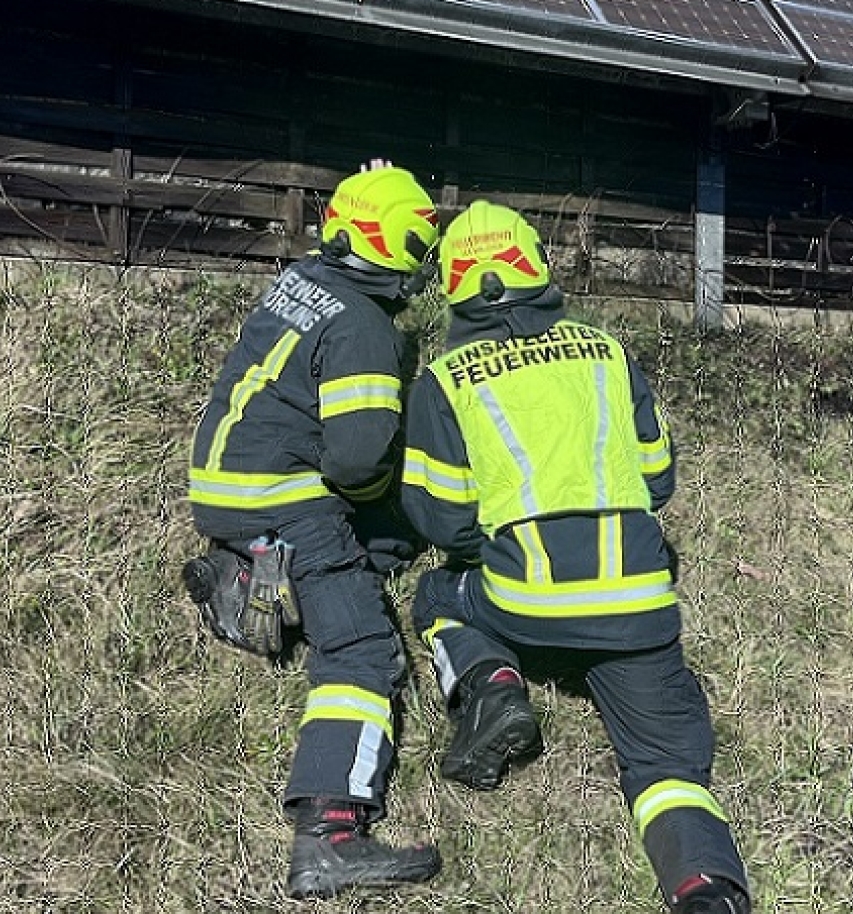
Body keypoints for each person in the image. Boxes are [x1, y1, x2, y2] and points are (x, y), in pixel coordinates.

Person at [399, 200, 753, 914]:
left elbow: (437, 516)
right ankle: (703, 889)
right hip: (636, 608)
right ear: (536, 265)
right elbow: (659, 478)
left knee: (437, 596)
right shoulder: (609, 352)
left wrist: (488, 548)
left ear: (456, 285)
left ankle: (492, 683)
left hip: (525, 598)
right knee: (665, 768)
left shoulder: (446, 377)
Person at [180, 159, 443, 899]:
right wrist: (379, 486)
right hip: (286, 497)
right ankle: (330, 834)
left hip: (223, 485)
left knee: (378, 545)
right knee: (362, 651)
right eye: (417, 245)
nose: (423, 263)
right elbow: (357, 461)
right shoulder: (365, 327)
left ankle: (247, 574)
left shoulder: (304, 279)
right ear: (390, 245)